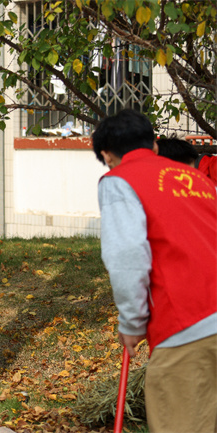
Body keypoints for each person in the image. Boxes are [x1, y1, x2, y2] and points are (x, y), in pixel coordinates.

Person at [92, 109, 217, 432]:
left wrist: (132, 323)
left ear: (107, 155)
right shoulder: (200, 180)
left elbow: (127, 255)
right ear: (155, 145)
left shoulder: (119, 181)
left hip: (189, 322)